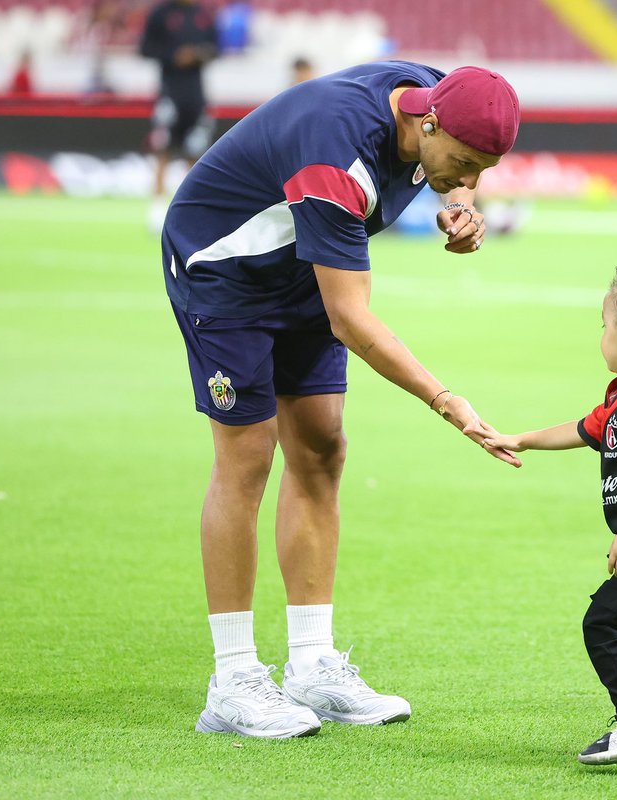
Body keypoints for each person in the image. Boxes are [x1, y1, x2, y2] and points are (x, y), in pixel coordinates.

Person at [162, 61, 522, 739]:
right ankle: (233, 680)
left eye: (484, 171)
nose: (471, 179)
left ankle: (312, 665)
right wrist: (447, 401)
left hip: (300, 264)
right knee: (247, 456)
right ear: (429, 122)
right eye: (466, 165)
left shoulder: (435, 94)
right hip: (224, 270)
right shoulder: (336, 156)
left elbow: (441, 167)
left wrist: (460, 204)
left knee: (323, 448)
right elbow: (351, 320)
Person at [476, 262, 617, 765]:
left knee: (603, 624)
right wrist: (519, 439)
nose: (601, 336)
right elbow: (584, 429)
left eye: (603, 327)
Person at [140, 0, 218, 233]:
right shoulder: (161, 14)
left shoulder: (203, 14)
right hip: (169, 93)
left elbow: (216, 49)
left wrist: (197, 55)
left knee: (195, 154)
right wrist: (173, 55)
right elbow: (145, 48)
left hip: (196, 96)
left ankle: (190, 209)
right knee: (163, 150)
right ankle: (157, 209)